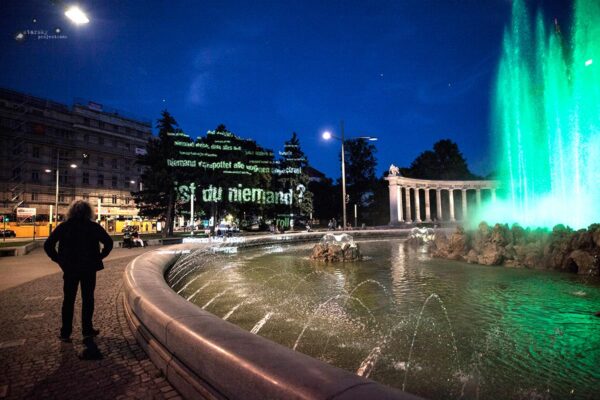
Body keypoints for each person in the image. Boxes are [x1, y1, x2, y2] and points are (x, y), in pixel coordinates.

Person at [44, 200, 113, 342]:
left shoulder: (64, 227)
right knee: (88, 299)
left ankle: (65, 332)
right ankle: (87, 330)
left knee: (68, 300)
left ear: (71, 211)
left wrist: (58, 259)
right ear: (89, 212)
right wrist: (100, 256)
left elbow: (48, 245)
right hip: (88, 268)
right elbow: (109, 243)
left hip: (70, 268)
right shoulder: (93, 227)